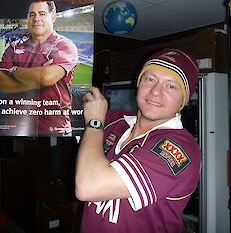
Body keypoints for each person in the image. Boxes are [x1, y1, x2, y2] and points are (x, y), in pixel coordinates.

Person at [75, 48, 201, 233]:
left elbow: (88, 187)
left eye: (171, 86)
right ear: (139, 82)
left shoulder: (180, 149)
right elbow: (52, 113)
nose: (155, 92)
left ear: (184, 99)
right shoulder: (116, 121)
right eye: (150, 79)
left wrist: (94, 122)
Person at [0, 0, 79, 136]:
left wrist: (15, 71)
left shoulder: (64, 46)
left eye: (42, 13)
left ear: (53, 16)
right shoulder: (14, 47)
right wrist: (36, 78)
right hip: (16, 128)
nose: (36, 18)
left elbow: (46, 78)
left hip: (54, 130)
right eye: (32, 14)